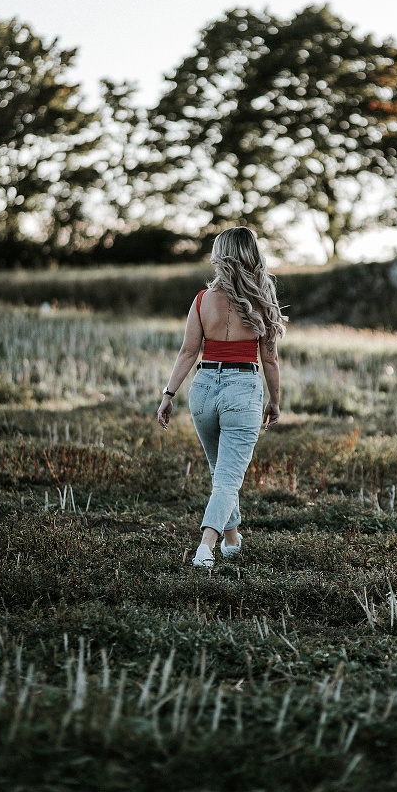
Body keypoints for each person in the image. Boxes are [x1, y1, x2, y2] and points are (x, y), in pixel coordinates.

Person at [156, 227, 287, 567]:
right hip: (242, 389)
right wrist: (275, 400)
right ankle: (205, 546)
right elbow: (269, 359)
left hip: (203, 389)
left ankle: (231, 538)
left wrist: (168, 394)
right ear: (252, 254)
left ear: (219, 255)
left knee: (220, 473)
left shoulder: (202, 300)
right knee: (228, 477)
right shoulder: (262, 300)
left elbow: (188, 352)